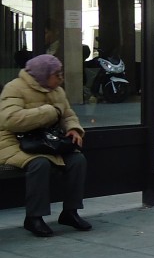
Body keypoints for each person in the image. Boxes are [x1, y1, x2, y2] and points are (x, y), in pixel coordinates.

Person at [0, 54, 89, 237]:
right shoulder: (14, 88)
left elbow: (67, 115)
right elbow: (10, 120)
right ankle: (34, 217)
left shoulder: (57, 91)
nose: (60, 78)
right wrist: (49, 112)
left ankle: (70, 212)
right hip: (15, 142)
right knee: (39, 163)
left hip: (46, 141)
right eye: (56, 74)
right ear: (42, 74)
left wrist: (74, 129)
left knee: (77, 160)